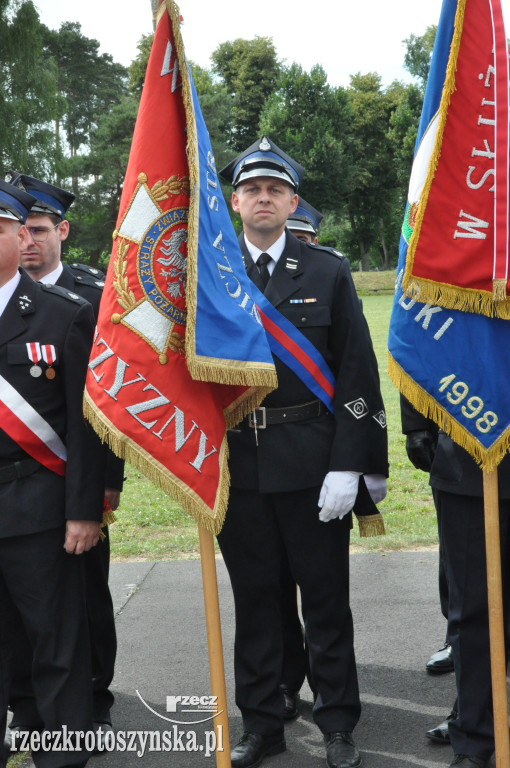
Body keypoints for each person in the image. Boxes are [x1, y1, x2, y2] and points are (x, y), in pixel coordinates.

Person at [217, 136, 389, 768]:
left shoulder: (328, 270)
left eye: (276, 190)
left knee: (323, 600)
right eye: (252, 190)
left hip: (314, 461)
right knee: (255, 601)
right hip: (237, 463)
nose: (264, 199)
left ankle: (339, 721)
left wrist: (351, 462)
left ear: (293, 201)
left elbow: (356, 373)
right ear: (235, 201)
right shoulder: (211, 273)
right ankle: (262, 721)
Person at [2, 173, 124, 754]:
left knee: (60, 636)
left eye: (11, 229)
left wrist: (90, 505)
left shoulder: (69, 311)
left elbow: (90, 423)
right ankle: (21, 726)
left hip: (41, 503)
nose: (20, 239)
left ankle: (69, 741)